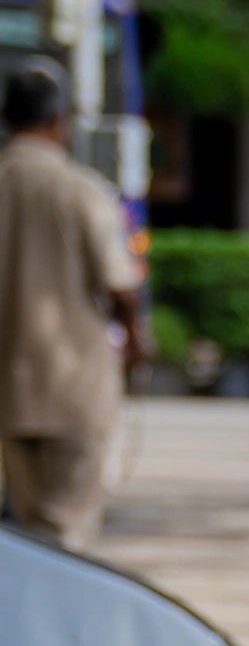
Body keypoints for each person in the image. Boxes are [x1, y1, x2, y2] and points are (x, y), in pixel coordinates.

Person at [0, 56, 146, 552]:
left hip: (8, 393)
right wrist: (136, 341)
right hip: (73, 392)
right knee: (67, 537)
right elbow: (120, 284)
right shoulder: (81, 190)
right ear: (59, 121)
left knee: (29, 530)